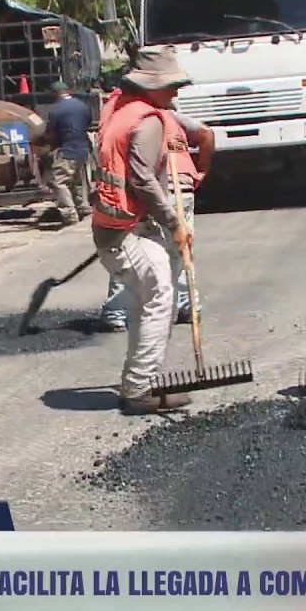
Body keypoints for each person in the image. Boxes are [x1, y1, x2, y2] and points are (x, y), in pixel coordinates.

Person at [92, 45, 198, 415]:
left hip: (115, 227)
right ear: (150, 86)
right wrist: (175, 223)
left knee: (147, 299)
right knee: (159, 295)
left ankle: (140, 381)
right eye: (171, 85)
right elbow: (142, 181)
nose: (176, 92)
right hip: (123, 231)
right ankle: (138, 390)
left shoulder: (121, 113)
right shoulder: (147, 120)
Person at [98, 86, 215, 331]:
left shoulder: (128, 118)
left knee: (141, 254)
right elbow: (206, 133)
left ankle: (117, 310)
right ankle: (186, 304)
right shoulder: (168, 119)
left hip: (156, 193)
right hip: (178, 190)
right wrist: (200, 172)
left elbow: (136, 175)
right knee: (178, 251)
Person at [45, 80, 94, 227]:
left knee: (59, 182)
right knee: (77, 181)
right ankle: (84, 210)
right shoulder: (82, 106)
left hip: (67, 150)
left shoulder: (57, 111)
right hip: (84, 150)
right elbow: (88, 123)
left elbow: (51, 135)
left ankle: (70, 215)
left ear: (55, 94)